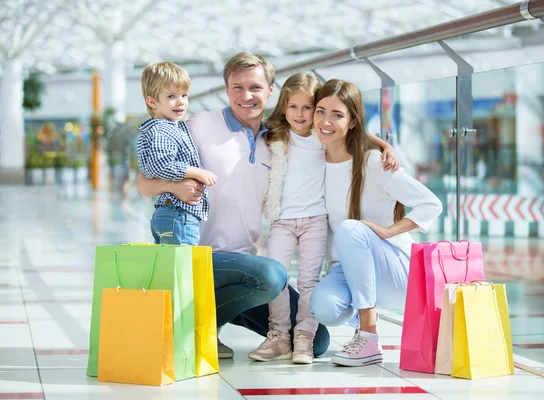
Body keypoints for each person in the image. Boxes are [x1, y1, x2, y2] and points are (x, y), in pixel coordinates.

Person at [136, 53, 330, 359]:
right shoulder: (198, 126)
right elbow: (143, 183)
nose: (246, 96)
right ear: (227, 90)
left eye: (254, 87)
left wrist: (382, 146)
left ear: (270, 91)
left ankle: (219, 312)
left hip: (243, 266)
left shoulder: (278, 141)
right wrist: (173, 185)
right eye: (237, 87)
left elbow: (341, 135)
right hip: (198, 258)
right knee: (270, 275)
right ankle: (201, 330)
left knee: (317, 342)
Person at [251, 72, 399, 364]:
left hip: (315, 220)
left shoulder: (321, 138)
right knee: (277, 278)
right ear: (283, 106)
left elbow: (355, 134)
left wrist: (386, 147)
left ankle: (304, 336)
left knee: (308, 281)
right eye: (293, 107)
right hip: (281, 220)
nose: (300, 114)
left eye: (308, 108)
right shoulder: (275, 135)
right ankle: (279, 336)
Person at [309, 79, 443, 367]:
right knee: (325, 309)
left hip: (395, 268)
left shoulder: (373, 162)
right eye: (320, 111)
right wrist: (384, 142)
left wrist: (388, 231)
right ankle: (362, 314)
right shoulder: (315, 158)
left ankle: (369, 336)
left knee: (351, 228)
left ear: (353, 121)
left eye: (337, 115)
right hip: (349, 268)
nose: (326, 121)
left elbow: (431, 203)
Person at [137, 61, 217, 245]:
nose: (181, 101)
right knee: (182, 270)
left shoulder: (169, 127)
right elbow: (160, 166)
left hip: (173, 215)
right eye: (171, 96)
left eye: (184, 95)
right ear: (152, 101)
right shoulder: (162, 130)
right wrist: (197, 172)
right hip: (178, 214)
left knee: (172, 268)